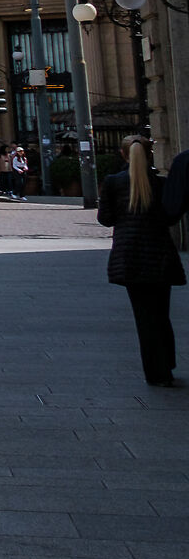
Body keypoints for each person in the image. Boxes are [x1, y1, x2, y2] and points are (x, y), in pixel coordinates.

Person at [99, 138, 183, 387]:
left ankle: (155, 372)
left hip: (130, 257)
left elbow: (105, 219)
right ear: (150, 154)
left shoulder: (113, 183)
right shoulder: (161, 184)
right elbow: (170, 217)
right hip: (159, 255)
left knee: (144, 317)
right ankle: (166, 365)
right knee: (161, 314)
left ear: (122, 154)